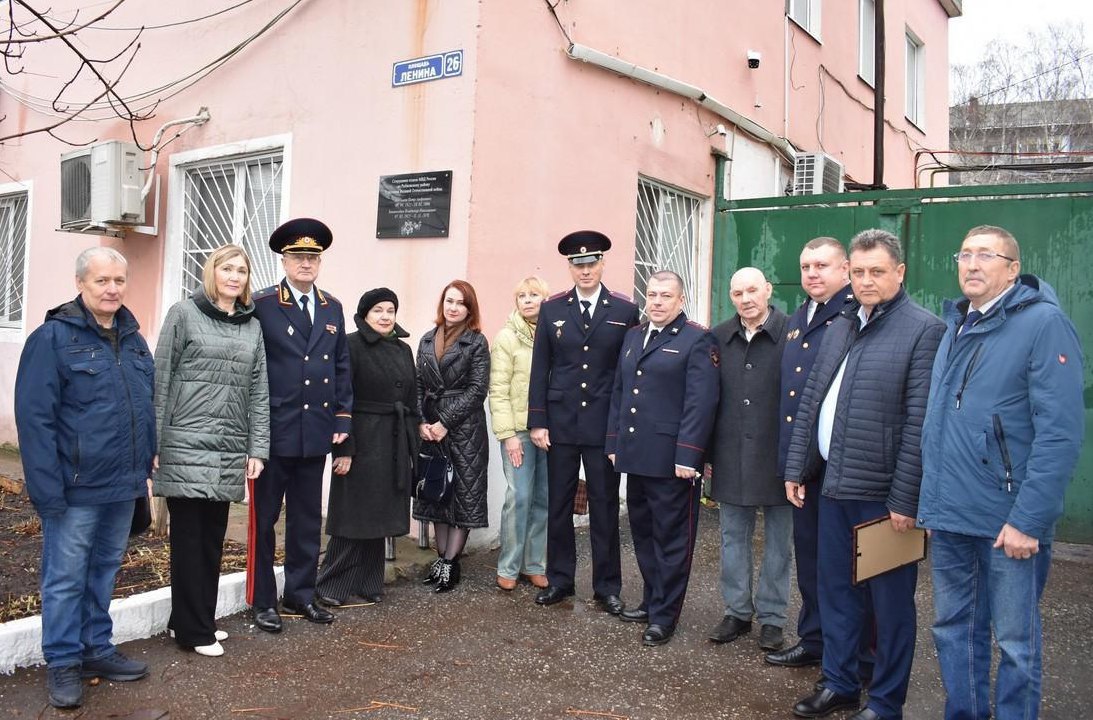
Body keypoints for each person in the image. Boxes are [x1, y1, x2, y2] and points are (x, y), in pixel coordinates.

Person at [918, 225, 1084, 720]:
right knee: (953, 629)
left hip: (1007, 521)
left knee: (1015, 641)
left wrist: (1029, 520)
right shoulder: (957, 323)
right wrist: (931, 502)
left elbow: (1060, 434)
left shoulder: (1043, 324)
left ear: (1013, 268)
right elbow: (939, 424)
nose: (971, 264)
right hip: (951, 517)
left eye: (985, 255)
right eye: (964, 253)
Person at [784, 229, 944, 720]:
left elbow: (921, 422)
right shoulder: (843, 324)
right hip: (833, 486)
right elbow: (813, 401)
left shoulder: (924, 330)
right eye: (858, 272)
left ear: (900, 272)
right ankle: (839, 683)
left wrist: (905, 499)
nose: (866, 280)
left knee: (890, 607)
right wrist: (798, 466)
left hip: (884, 498)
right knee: (836, 593)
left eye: (877, 271)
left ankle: (887, 702)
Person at [15, 247, 155, 708]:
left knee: (103, 571)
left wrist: (146, 463)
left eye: (119, 280)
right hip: (76, 487)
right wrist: (45, 490)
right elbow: (35, 421)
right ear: (80, 284)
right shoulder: (52, 339)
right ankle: (62, 661)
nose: (112, 288)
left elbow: (143, 407)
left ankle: (96, 648)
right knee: (65, 577)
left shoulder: (133, 338)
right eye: (102, 281)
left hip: (122, 483)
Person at [153, 244, 269, 658]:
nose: (235, 277)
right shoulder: (184, 314)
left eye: (242, 270)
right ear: (212, 273)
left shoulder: (250, 326)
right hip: (184, 442)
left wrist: (258, 448)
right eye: (227, 269)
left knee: (212, 539)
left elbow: (259, 391)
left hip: (227, 448)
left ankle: (195, 617)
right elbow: (161, 377)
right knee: (188, 538)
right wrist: (155, 440)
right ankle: (193, 630)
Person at [766, 237, 867, 672]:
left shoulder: (854, 314)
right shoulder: (800, 316)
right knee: (808, 557)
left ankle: (855, 654)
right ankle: (814, 639)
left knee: (843, 565)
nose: (812, 273)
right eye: (806, 266)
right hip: (803, 461)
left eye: (822, 266)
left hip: (837, 463)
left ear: (845, 268)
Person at [247, 218, 352, 633]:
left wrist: (342, 417)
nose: (306, 263)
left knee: (308, 520)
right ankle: (263, 601)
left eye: (312, 257)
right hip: (273, 431)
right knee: (264, 519)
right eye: (297, 256)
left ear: (319, 261)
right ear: (284, 260)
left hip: (315, 430)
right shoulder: (263, 304)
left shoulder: (332, 307)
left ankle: (301, 593)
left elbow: (341, 366)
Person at [528, 231, 640, 614]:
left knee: (605, 505)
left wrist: (623, 425)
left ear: (602, 264)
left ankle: (607, 587)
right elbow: (541, 366)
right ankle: (559, 579)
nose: (585, 270)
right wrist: (537, 421)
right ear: (570, 268)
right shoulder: (552, 308)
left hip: (604, 425)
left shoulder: (624, 311)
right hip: (560, 424)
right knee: (558, 503)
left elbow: (629, 373)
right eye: (578, 265)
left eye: (592, 263)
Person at [606, 271, 719, 646]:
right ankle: (652, 600)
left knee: (672, 539)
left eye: (665, 296)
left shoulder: (697, 339)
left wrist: (689, 454)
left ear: (680, 301)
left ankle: (665, 615)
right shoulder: (634, 335)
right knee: (643, 533)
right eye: (652, 294)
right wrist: (614, 443)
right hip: (636, 454)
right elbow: (620, 392)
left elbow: (700, 403)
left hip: (673, 461)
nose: (656, 301)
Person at [316, 288, 418, 606]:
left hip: (393, 442)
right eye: (378, 310)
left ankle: (369, 582)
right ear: (364, 315)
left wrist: (416, 431)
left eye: (391, 310)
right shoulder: (350, 345)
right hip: (362, 440)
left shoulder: (403, 350)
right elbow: (340, 399)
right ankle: (330, 585)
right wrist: (344, 449)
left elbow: (411, 400)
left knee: (380, 518)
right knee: (353, 518)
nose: (386, 316)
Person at [707, 267, 791, 651]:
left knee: (779, 542)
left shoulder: (793, 334)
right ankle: (737, 611)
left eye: (753, 290)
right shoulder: (718, 337)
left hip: (780, 456)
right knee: (732, 538)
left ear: (768, 290)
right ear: (730, 296)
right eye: (738, 292)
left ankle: (773, 617)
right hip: (730, 451)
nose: (746, 299)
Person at [414, 280, 491, 592]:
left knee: (462, 496)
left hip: (465, 430)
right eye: (449, 301)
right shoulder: (427, 339)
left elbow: (477, 390)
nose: (453, 307)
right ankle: (440, 560)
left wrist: (445, 421)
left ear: (469, 309)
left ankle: (451, 563)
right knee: (437, 494)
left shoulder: (476, 342)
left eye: (460, 303)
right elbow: (417, 383)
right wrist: (421, 421)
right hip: (431, 429)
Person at [489, 276, 551, 592]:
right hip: (519, 432)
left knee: (543, 498)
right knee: (520, 497)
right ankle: (509, 566)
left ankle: (534, 564)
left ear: (546, 298)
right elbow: (497, 389)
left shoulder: (553, 333)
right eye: (522, 295)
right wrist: (508, 434)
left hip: (549, 431)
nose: (527, 300)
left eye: (534, 294)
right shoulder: (506, 338)